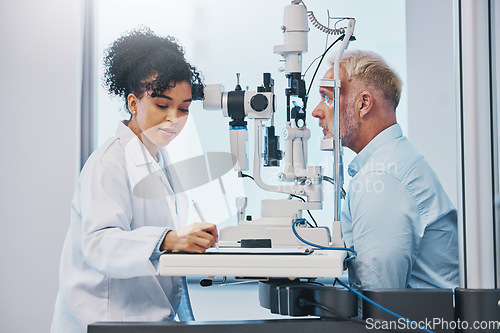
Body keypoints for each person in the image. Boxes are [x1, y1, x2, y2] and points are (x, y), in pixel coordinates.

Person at [51, 28, 218, 333]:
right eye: (161, 105)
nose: (173, 119)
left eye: (183, 109)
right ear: (133, 103)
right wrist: (168, 239)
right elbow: (100, 244)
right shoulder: (109, 162)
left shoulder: (158, 161)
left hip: (141, 318)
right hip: (105, 317)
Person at [312, 50, 459, 291]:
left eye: (328, 98)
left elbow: (379, 303)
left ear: (363, 103)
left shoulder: (383, 176)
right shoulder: (391, 160)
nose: (316, 112)